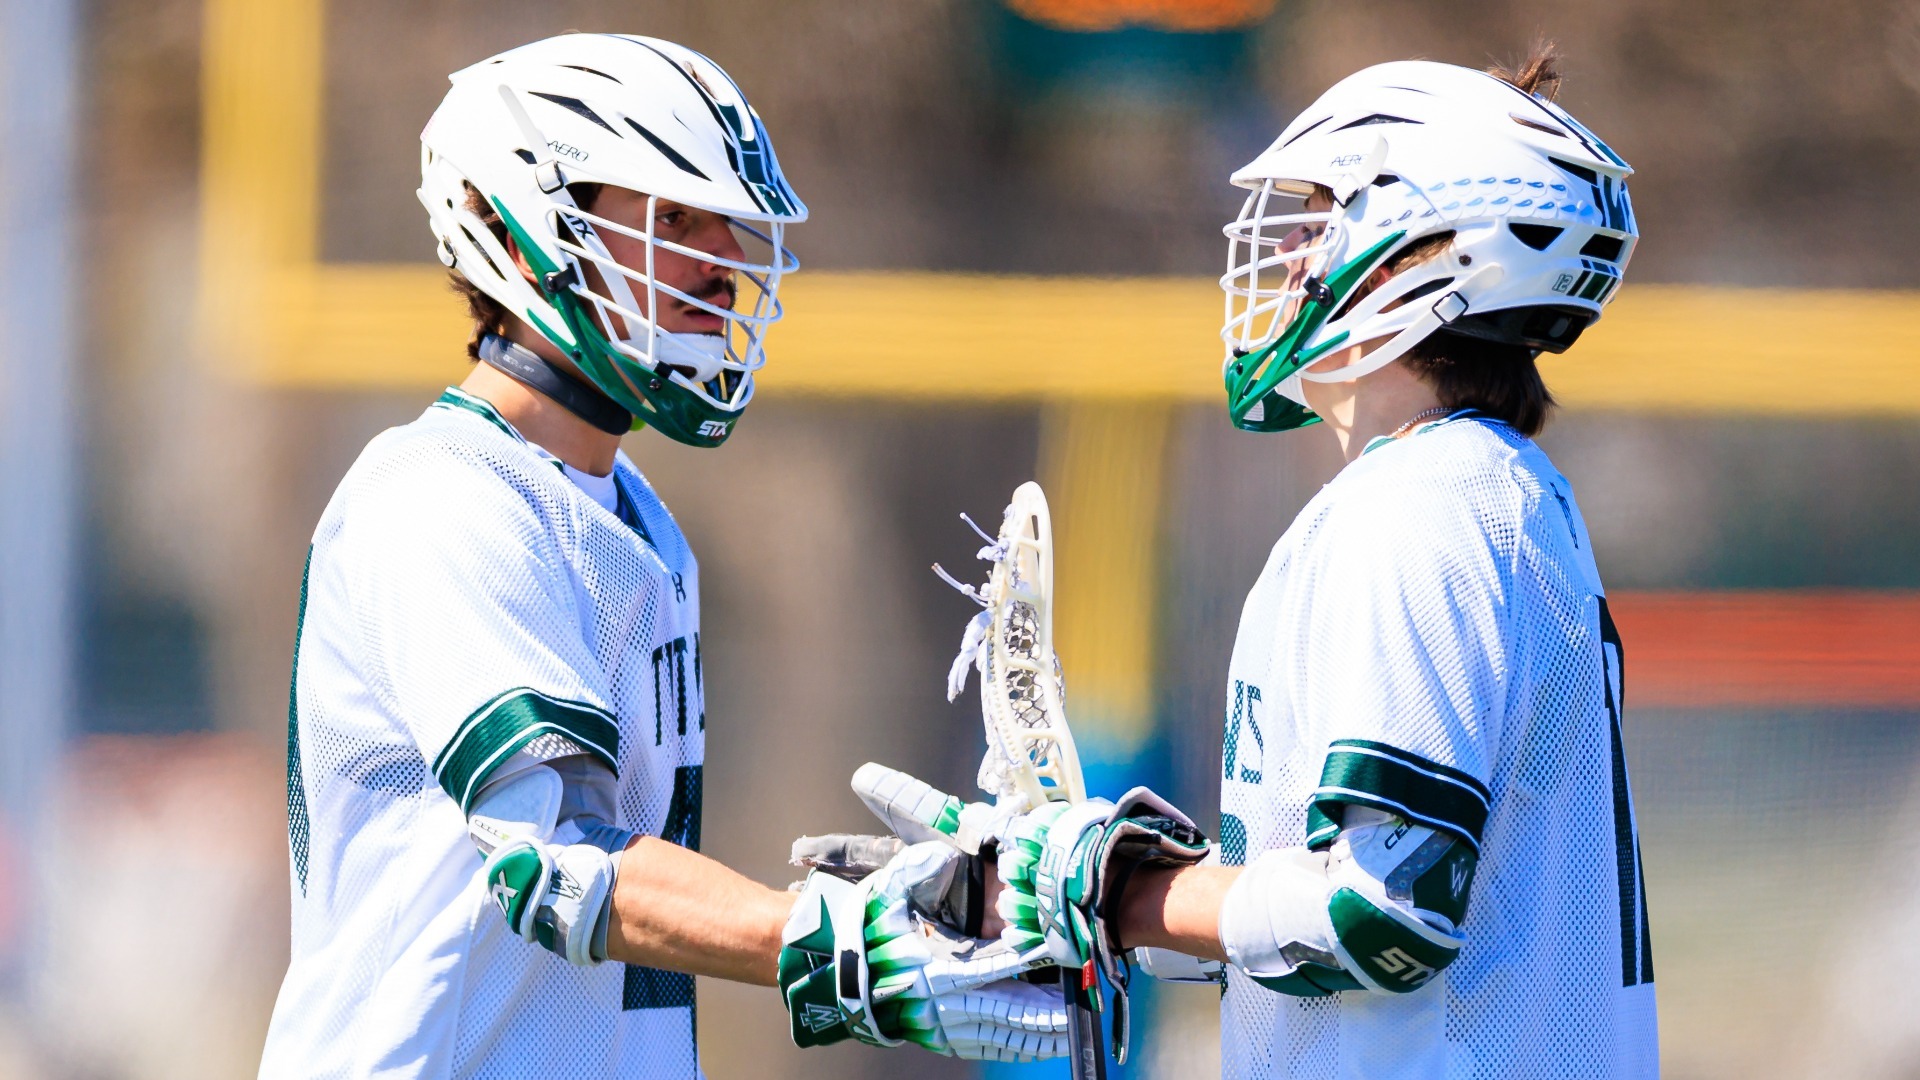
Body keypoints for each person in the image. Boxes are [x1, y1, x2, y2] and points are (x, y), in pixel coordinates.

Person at [258, 33, 1066, 1079]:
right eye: (673, 219)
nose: (721, 266)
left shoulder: (634, 520)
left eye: (725, 227)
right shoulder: (443, 499)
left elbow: (617, 882)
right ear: (524, 226)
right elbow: (555, 865)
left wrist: (888, 909)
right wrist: (835, 948)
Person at [983, 48, 1660, 1077]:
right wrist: (1134, 874)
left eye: (1322, 218)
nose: (1290, 256)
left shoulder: (1416, 509)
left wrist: (1116, 898)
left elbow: (1382, 913)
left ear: (1425, 255)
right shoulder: (1490, 491)